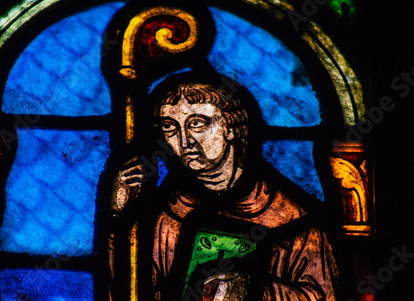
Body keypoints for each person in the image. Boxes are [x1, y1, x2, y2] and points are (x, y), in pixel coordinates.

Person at [112, 69, 338, 301]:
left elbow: (321, 295)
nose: (184, 141)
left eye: (197, 124)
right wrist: (120, 216)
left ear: (230, 128)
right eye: (170, 127)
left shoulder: (290, 219)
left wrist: (250, 288)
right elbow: (131, 289)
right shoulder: (168, 212)